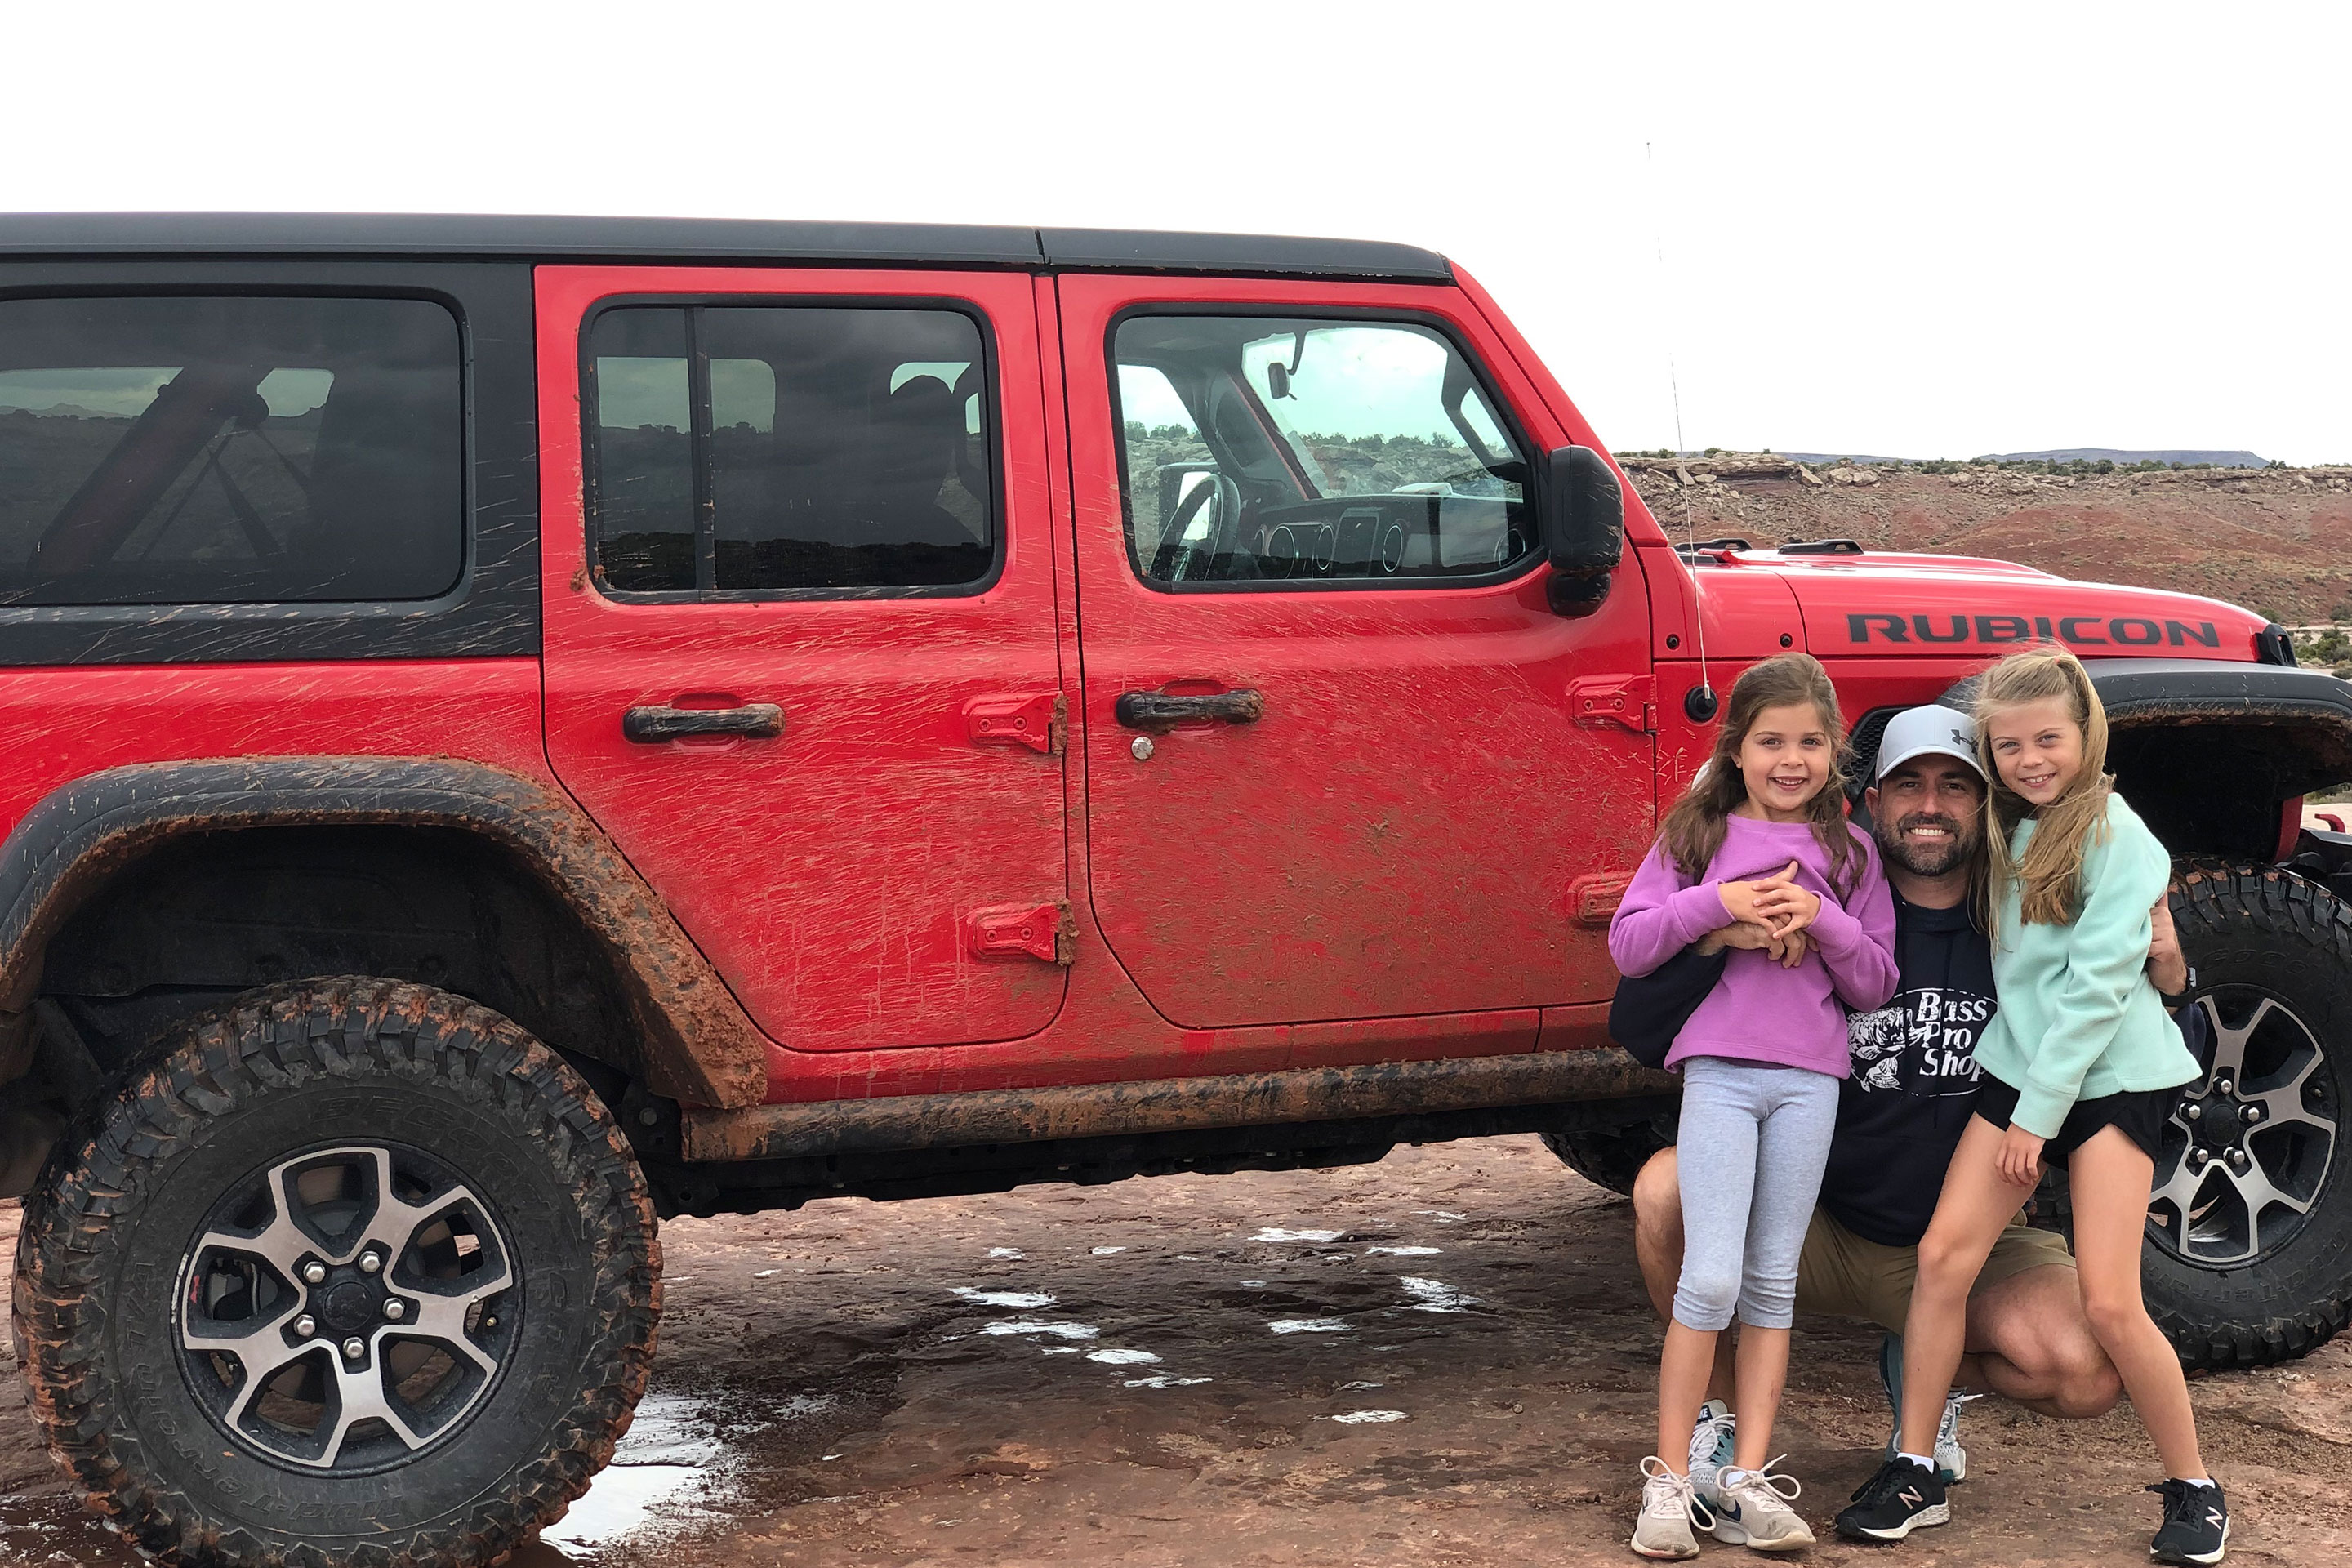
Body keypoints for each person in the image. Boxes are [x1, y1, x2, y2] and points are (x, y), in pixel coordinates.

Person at [1630, 704, 2176, 1539]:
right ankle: (1714, 1421)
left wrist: (2172, 969)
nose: (1931, 805)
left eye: (1957, 786)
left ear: (1988, 801)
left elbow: (2129, 1031)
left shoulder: (2029, 916)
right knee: (1666, 1195)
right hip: (1821, 1222)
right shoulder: (1823, 893)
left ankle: (1926, 1373)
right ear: (1870, 799)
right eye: (1910, 784)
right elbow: (1637, 1024)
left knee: (2083, 1371)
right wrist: (1718, 935)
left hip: (1961, 1246)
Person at [1835, 649, 2226, 1565]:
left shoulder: (2120, 839)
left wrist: (2035, 1122)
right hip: (2019, 1071)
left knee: (2112, 1299)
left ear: (2087, 733)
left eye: (2048, 739)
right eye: (2007, 746)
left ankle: (2196, 1486)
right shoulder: (2011, 829)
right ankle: (1917, 1464)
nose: (2030, 759)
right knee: (1943, 1258)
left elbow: (2096, 991)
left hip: (2108, 1082)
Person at [1609, 653, 1899, 1559]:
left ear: (1834, 753)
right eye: (1771, 741)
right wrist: (1718, 907)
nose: (1791, 759)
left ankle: (1745, 1479)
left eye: (1811, 743)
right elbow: (1630, 942)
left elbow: (1877, 983)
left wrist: (1824, 919)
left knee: (1774, 1283)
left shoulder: (1851, 853)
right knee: (1713, 1278)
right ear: (1737, 749)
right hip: (1723, 1077)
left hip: (1810, 1079)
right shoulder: (1699, 839)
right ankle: (1667, 1484)